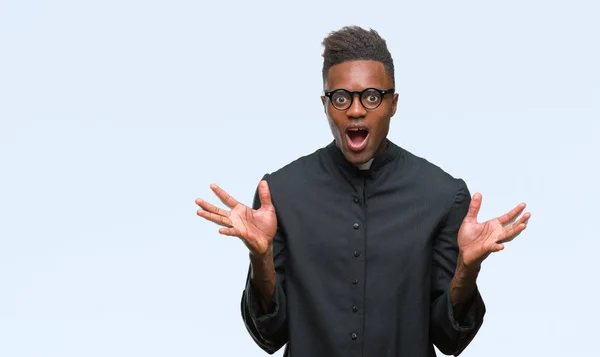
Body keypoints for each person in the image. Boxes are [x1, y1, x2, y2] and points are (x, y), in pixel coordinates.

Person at [195, 26, 531, 357]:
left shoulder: (443, 196)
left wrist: (468, 270)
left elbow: (450, 341)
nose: (356, 110)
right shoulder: (279, 194)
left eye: (372, 96)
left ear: (394, 103)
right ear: (325, 104)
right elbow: (270, 336)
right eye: (341, 98)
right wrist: (260, 258)